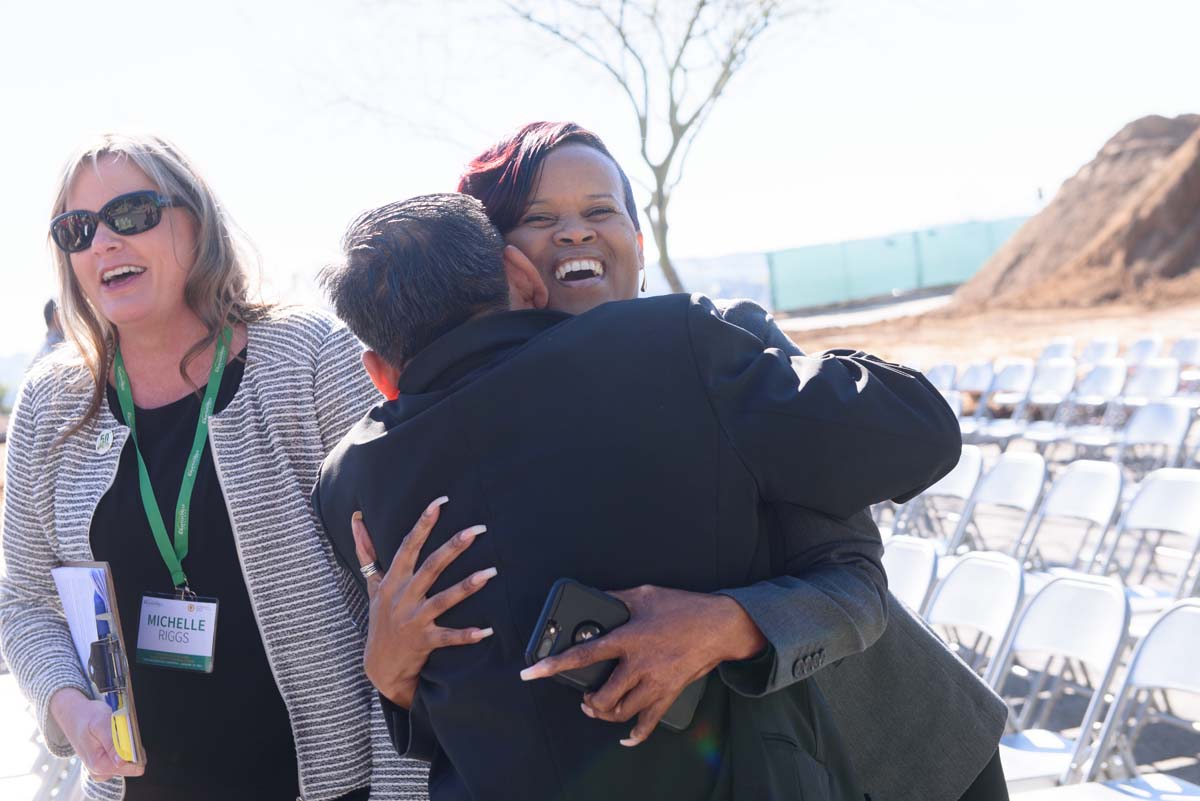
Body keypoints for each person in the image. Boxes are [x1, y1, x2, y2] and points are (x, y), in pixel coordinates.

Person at [313, 191, 963, 801]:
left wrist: (389, 677)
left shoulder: (348, 488)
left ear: (378, 371)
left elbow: (446, 705)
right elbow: (920, 432)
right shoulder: (671, 346)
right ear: (520, 271)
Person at [454, 122, 1011, 801]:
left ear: (636, 242)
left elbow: (855, 585)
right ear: (492, 258)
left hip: (894, 762)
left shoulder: (721, 348)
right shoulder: (467, 425)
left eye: (600, 211)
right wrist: (393, 668)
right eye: (539, 218)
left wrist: (725, 622)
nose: (574, 232)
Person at [0, 134, 418, 801]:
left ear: (197, 219)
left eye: (131, 214)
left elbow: (406, 577)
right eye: (77, 230)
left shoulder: (308, 358)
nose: (103, 241)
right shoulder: (51, 404)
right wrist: (68, 704)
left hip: (333, 786)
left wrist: (404, 788)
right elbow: (23, 602)